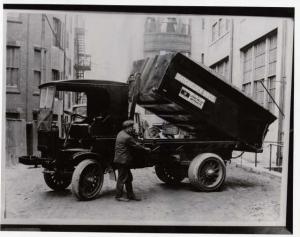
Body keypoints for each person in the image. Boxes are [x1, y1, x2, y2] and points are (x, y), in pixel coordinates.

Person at [114, 120, 151, 202]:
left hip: (121, 160)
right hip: (123, 160)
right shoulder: (127, 137)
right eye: (131, 127)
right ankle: (118, 196)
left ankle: (131, 195)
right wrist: (146, 149)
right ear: (127, 128)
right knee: (122, 178)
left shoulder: (120, 133)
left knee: (128, 178)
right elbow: (137, 145)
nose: (132, 129)